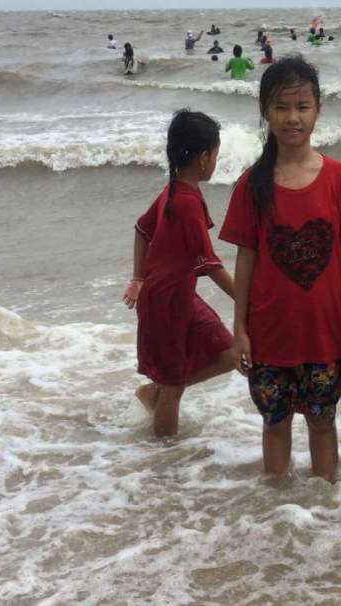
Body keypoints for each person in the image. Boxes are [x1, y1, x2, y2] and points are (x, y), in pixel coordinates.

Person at [219, 57, 341, 483]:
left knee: (323, 423)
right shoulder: (252, 184)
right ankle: (279, 519)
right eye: (281, 107)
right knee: (275, 423)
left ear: (318, 110)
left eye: (303, 106)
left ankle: (323, 513)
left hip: (323, 333)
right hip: (269, 334)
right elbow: (246, 259)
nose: (293, 118)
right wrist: (240, 327)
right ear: (266, 112)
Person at [122, 110, 236, 437]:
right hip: (166, 305)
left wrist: (139, 278)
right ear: (203, 158)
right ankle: (164, 462)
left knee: (228, 353)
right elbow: (211, 265)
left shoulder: (176, 190)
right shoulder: (184, 202)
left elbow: (142, 230)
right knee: (173, 389)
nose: (216, 161)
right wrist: (249, 299)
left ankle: (153, 393)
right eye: (216, 154)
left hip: (178, 298)